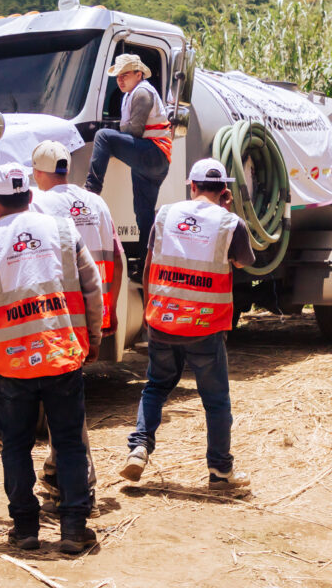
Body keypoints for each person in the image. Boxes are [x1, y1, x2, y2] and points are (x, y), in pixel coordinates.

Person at [0, 163, 105, 554]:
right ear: (29, 196)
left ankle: (25, 528)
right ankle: (74, 528)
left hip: (11, 365)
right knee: (70, 443)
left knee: (16, 446)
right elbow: (93, 286)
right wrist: (94, 337)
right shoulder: (62, 230)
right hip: (60, 356)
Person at [119, 158, 255, 492]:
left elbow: (150, 264)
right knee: (216, 400)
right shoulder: (230, 223)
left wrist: (154, 309)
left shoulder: (165, 215)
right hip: (204, 327)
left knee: (156, 386)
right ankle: (220, 473)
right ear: (224, 190)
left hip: (163, 320)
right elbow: (243, 261)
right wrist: (228, 211)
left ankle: (139, 448)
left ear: (191, 187)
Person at [29, 140, 124, 513]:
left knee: (63, 399)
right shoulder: (96, 202)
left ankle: (82, 482)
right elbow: (115, 255)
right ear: (67, 169)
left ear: (39, 173)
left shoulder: (39, 203)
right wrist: (110, 308)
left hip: (58, 314)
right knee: (65, 396)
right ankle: (55, 474)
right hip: (91, 311)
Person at [84, 53, 172, 253]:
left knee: (103, 136)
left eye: (125, 74)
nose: (120, 79)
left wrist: (114, 134)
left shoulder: (142, 93)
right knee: (143, 215)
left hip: (153, 153)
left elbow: (134, 131)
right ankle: (146, 261)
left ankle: (91, 189)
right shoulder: (131, 95)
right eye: (118, 75)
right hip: (156, 160)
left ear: (139, 74)